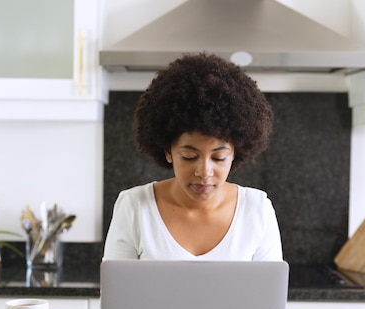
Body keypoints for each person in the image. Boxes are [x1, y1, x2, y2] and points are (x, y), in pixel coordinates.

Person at [103, 52, 282, 261]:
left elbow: (268, 293)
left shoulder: (257, 210)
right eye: (189, 156)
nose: (204, 172)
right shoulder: (134, 207)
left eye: (219, 158)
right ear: (168, 151)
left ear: (236, 153)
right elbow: (117, 292)